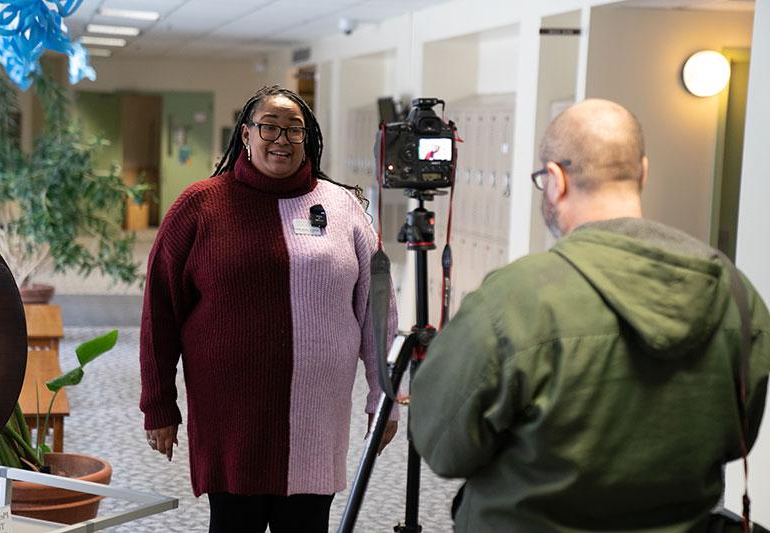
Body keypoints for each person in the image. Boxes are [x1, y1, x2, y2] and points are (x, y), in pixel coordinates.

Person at [409, 98, 770, 532]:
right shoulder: (737, 294)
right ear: (643, 172)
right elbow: (739, 437)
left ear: (556, 180)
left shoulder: (514, 299)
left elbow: (442, 445)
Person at [139, 85, 398, 533]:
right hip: (232, 420)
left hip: (316, 420)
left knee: (307, 523)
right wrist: (159, 404)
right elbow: (159, 313)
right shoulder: (200, 206)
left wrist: (385, 397)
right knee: (233, 523)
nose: (281, 139)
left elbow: (379, 310)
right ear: (245, 135)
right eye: (269, 127)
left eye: (294, 129)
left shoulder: (343, 208)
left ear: (308, 138)